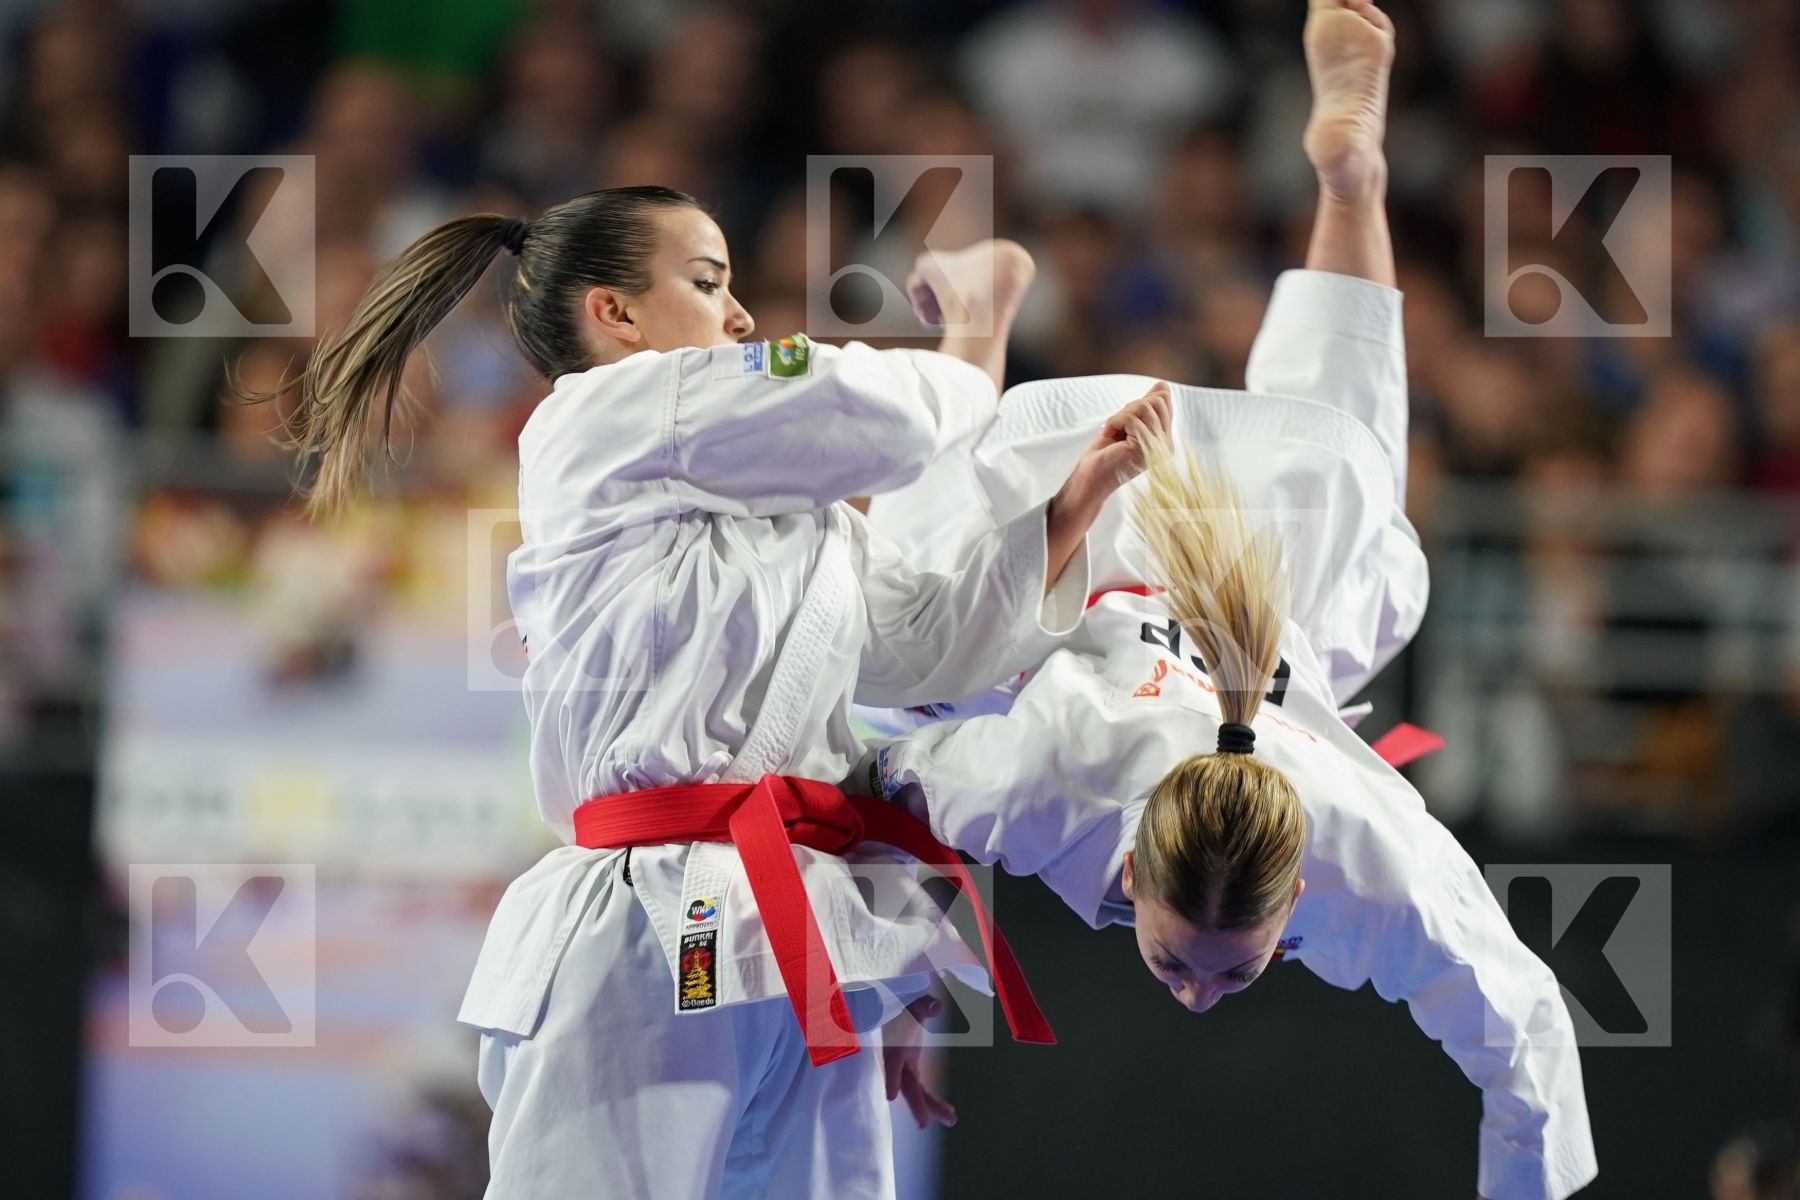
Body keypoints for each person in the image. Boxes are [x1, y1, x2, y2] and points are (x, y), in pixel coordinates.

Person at [256, 185, 1175, 1197]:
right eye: (706, 282)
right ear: (615, 314)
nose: (740, 315)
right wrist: (973, 332)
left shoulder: (795, 517)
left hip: (801, 926)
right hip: (655, 920)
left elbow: (922, 646)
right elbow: (889, 416)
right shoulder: (614, 412)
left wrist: (1067, 510)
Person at [857, 5, 1597, 1199]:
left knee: (1347, 474)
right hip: (1108, 511)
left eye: (1220, 973)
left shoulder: (1371, 849)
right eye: (1207, 968)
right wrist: (894, 993)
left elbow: (1530, 1038)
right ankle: (981, 330)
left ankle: (1350, 184)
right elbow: (884, 784)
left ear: (1292, 891)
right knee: (894, 649)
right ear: (1141, 872)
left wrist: (899, 981)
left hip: (1247, 545)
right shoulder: (1053, 786)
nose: (1195, 994)